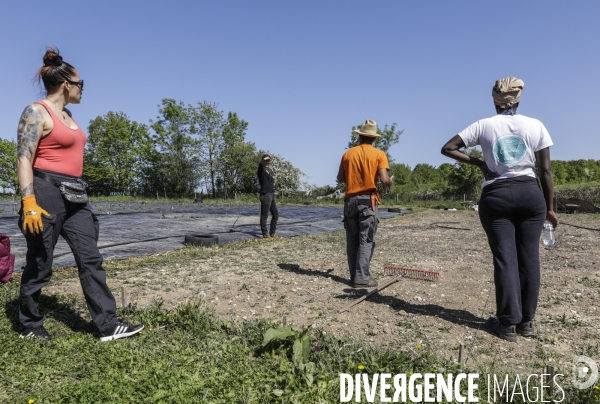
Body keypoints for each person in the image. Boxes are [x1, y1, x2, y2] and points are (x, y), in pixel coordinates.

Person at [16, 47, 143, 341]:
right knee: (40, 262)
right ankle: (30, 325)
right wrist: (29, 201)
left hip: (75, 192)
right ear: (66, 85)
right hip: (45, 190)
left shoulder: (68, 114)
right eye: (80, 84)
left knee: (90, 258)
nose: (83, 89)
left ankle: (108, 325)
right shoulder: (36, 111)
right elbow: (24, 158)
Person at [441, 77, 558, 342]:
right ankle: (526, 323)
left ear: (494, 100)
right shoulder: (535, 125)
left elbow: (448, 148)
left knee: (505, 259)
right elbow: (546, 171)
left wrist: (482, 165)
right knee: (529, 258)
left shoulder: (483, 125)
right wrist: (550, 208)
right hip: (530, 194)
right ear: (517, 100)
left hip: (496, 195)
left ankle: (507, 325)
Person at [337, 120, 393, 287]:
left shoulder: (348, 154)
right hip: (368, 201)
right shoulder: (379, 154)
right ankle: (362, 278)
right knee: (366, 240)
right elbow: (383, 180)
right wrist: (389, 182)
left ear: (360, 136)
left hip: (350, 201)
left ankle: (354, 276)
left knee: (352, 239)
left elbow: (340, 178)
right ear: (373, 138)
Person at [257, 154, 279, 238]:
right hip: (265, 195)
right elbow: (260, 164)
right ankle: (265, 233)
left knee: (275, 214)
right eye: (266, 161)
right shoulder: (261, 170)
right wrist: (265, 158)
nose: (267, 162)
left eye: (269, 161)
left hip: (271, 194)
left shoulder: (267, 171)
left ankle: (272, 232)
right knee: (264, 215)